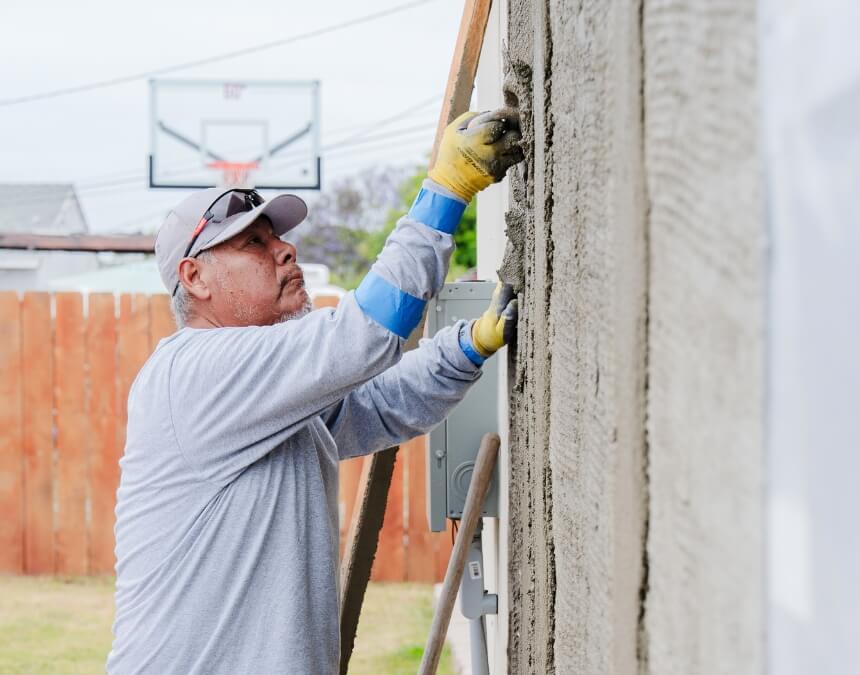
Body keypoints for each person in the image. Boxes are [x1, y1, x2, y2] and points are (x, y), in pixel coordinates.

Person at [107, 109, 523, 674]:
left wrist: (466, 348)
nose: (284, 250)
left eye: (277, 237)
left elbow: (377, 407)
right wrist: (444, 193)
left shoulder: (266, 401)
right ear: (195, 277)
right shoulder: (193, 373)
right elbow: (360, 337)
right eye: (253, 243)